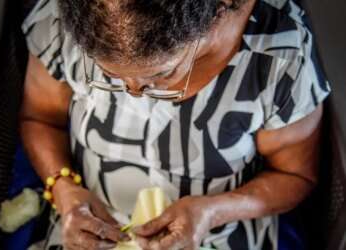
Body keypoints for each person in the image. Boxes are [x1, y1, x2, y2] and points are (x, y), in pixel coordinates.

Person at [20, 0, 331, 249]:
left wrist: (213, 211)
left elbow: (295, 174)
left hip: (217, 233)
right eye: (110, 75)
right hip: (83, 227)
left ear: (213, 16)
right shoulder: (61, 21)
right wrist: (63, 188)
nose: (134, 92)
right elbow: (40, 119)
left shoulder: (278, 57)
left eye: (160, 75)